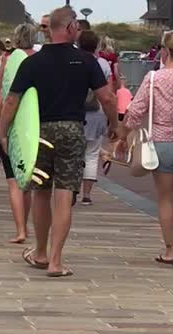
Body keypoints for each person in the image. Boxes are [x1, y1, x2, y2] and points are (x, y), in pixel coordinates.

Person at [0, 6, 118, 277]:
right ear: (71, 27)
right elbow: (107, 98)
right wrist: (114, 125)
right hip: (72, 131)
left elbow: (12, 101)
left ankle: (40, 252)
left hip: (39, 132)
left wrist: (3, 132)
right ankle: (56, 261)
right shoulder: (85, 61)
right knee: (64, 195)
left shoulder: (32, 62)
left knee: (40, 192)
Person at [118, 31, 173, 270]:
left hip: (163, 144)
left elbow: (135, 111)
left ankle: (169, 250)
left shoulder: (154, 78)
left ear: (164, 52)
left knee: (166, 199)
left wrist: (123, 136)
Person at [0, 23, 38, 244]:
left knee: (14, 182)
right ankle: (27, 227)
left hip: (13, 128)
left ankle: (21, 230)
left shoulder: (10, 60)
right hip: (34, 126)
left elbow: (4, 98)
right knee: (28, 182)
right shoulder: (40, 60)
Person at [78, 30, 112, 206]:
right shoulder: (103, 64)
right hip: (97, 112)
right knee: (91, 154)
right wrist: (112, 120)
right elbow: (109, 93)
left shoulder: (74, 60)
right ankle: (87, 195)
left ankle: (71, 191)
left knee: (75, 154)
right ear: (97, 45)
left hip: (76, 113)